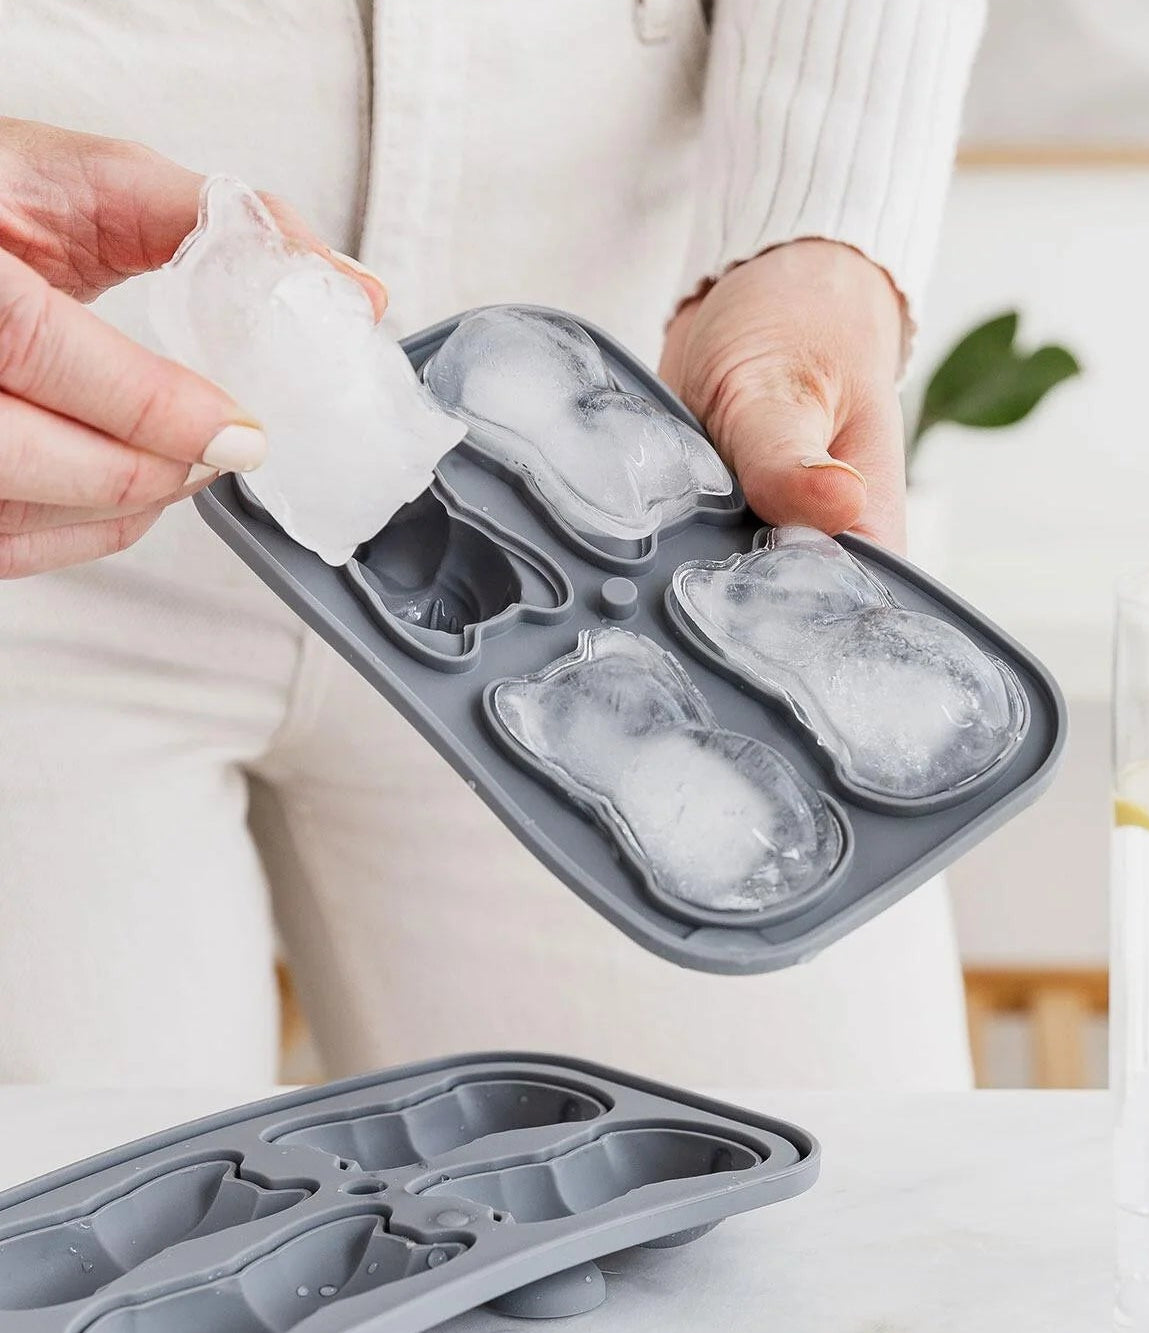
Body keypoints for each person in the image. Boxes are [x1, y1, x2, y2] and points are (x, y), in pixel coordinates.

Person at [0, 0, 985, 1088]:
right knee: (83, 1222)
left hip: (618, 428)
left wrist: (816, 228)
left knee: (822, 1214)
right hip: (41, 409)